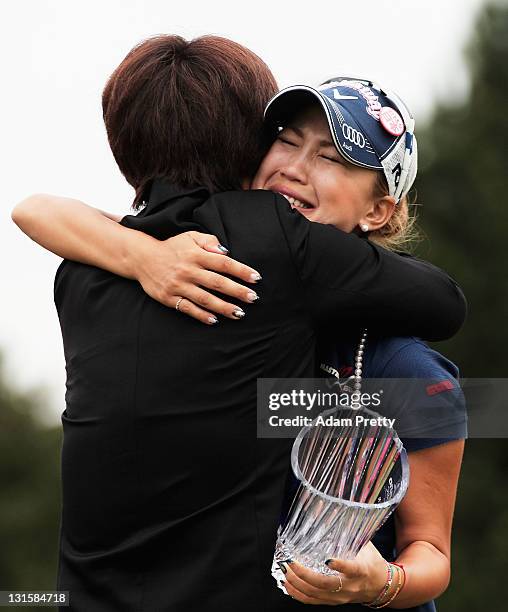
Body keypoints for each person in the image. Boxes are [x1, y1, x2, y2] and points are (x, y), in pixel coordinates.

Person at [12, 36, 466, 611]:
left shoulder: (402, 365)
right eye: (285, 141)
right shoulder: (247, 249)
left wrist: (385, 584)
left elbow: (431, 550)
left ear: (380, 210)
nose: (294, 169)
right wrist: (142, 255)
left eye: (331, 157)